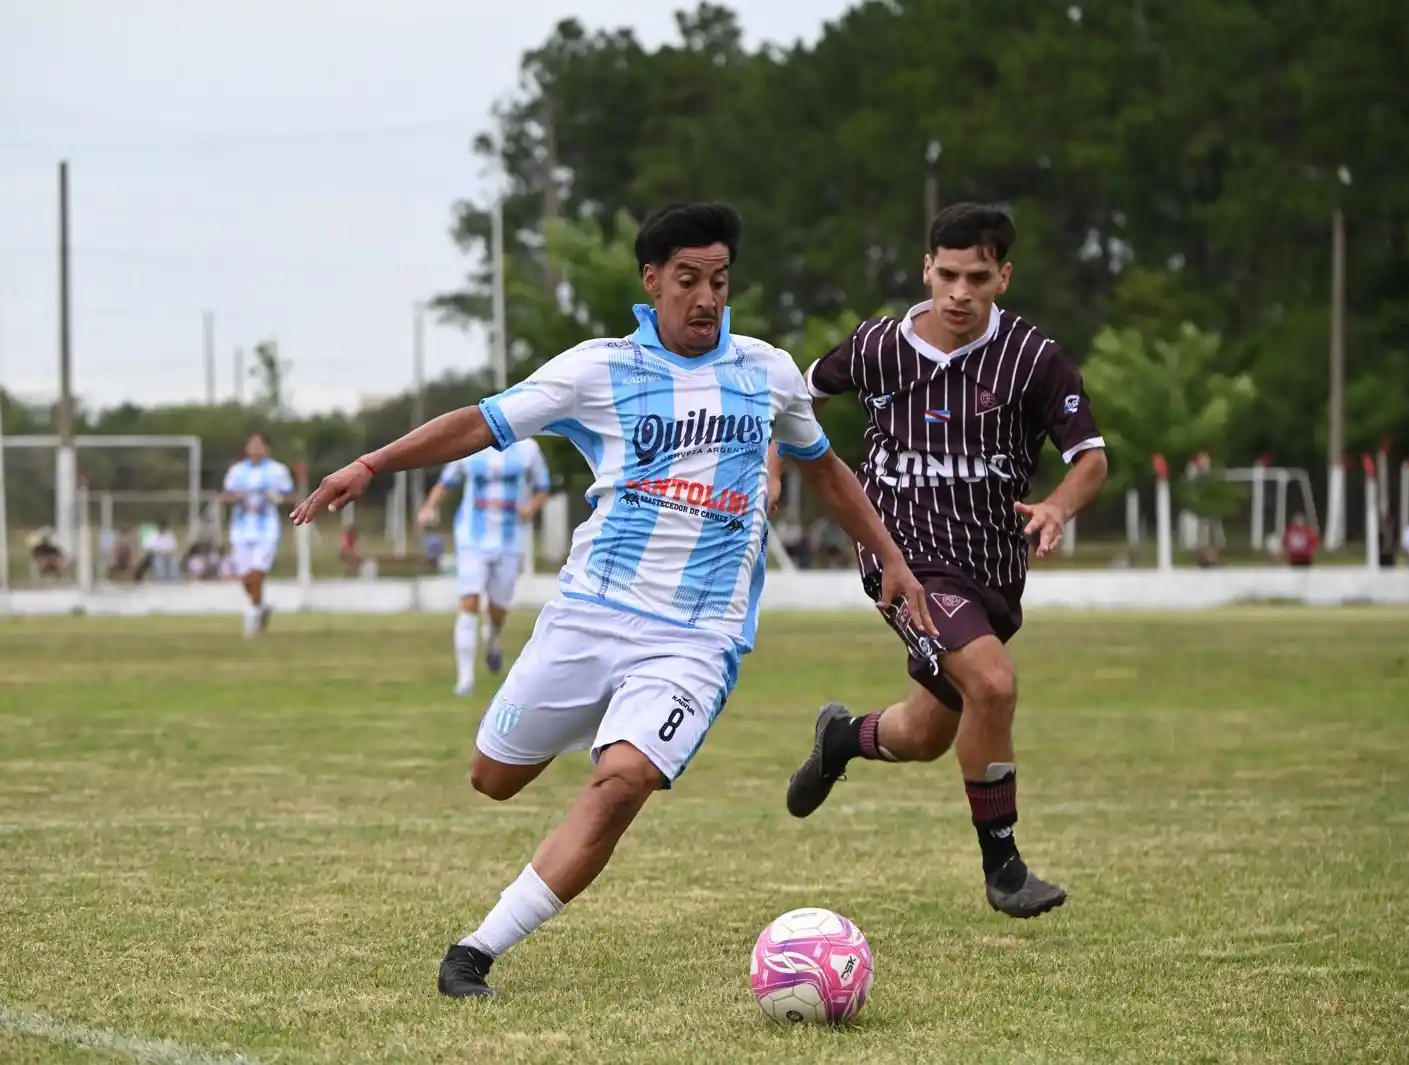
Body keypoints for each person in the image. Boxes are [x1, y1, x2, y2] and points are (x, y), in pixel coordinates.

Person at [291, 202, 934, 999]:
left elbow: (825, 469)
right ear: (652, 280)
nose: (707, 297)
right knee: (493, 777)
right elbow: (482, 422)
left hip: (697, 639)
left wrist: (891, 557)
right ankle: (603, 714)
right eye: (689, 279)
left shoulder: (767, 372)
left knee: (622, 782)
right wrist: (372, 464)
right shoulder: (597, 369)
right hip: (590, 614)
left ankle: (475, 951)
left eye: (720, 280)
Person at [772, 203, 1108, 920]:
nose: (959, 292)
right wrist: (773, 467)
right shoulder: (878, 346)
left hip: (990, 568)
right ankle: (1004, 867)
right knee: (992, 681)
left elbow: (1092, 459)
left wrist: (1057, 506)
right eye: (947, 274)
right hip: (901, 556)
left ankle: (841, 739)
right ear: (926, 268)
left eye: (977, 278)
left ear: (1002, 277)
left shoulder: (1033, 359)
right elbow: (796, 398)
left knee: (926, 734)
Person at [418, 438, 552, 693]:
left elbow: (543, 487)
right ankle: (465, 680)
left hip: (510, 538)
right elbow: (446, 482)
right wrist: (429, 507)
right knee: (469, 602)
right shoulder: (469, 446)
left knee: (498, 609)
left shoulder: (528, 448)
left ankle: (492, 637)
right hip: (471, 537)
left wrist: (531, 508)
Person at [220, 433, 295, 637]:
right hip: (241, 528)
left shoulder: (277, 471)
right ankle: (261, 606)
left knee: (257, 573)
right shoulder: (237, 471)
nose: (255, 449)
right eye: (251, 445)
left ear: (266, 448)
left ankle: (251, 618)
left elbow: (290, 496)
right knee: (245, 577)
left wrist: (276, 497)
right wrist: (236, 496)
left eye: (259, 445)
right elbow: (225, 496)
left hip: (267, 529)